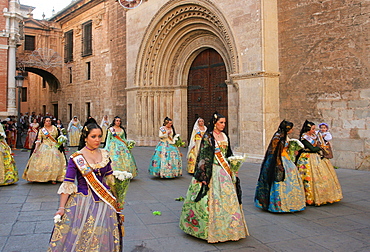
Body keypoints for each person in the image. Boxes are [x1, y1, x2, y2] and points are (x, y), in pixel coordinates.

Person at [48, 120, 123, 251]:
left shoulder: (105, 154)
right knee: (83, 236)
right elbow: (68, 183)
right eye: (93, 136)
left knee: (103, 235)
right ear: (85, 137)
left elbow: (110, 179)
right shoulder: (76, 158)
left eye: (100, 136)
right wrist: (61, 207)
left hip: (105, 202)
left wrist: (118, 199)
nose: (97, 140)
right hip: (83, 202)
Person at [179, 112, 248, 243]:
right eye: (221, 122)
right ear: (215, 123)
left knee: (229, 198)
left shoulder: (224, 136)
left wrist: (234, 166)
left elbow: (228, 153)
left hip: (224, 172)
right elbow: (204, 156)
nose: (223, 125)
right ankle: (207, 229)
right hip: (213, 170)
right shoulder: (208, 137)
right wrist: (203, 175)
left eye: (224, 123)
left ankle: (230, 228)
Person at [254, 120, 306, 212]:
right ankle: (278, 204)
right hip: (279, 160)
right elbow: (275, 152)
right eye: (291, 128)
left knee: (292, 179)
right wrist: (279, 164)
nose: (292, 130)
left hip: (286, 159)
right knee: (279, 180)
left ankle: (292, 202)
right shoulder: (278, 137)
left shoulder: (285, 136)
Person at [296, 120, 343, 206]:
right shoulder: (304, 137)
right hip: (308, 158)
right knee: (309, 177)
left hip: (316, 157)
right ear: (308, 129)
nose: (314, 131)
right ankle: (309, 197)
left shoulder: (314, 135)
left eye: (314, 129)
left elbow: (319, 143)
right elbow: (312, 148)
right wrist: (321, 148)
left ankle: (324, 195)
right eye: (313, 129)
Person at [22, 116, 66, 184]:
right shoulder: (42, 130)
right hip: (44, 146)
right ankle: (40, 177)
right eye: (47, 121)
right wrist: (36, 149)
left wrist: (61, 141)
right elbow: (39, 140)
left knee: (55, 162)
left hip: (54, 146)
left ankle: (54, 178)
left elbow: (58, 137)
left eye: (49, 121)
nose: (48, 122)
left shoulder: (55, 128)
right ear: (44, 122)